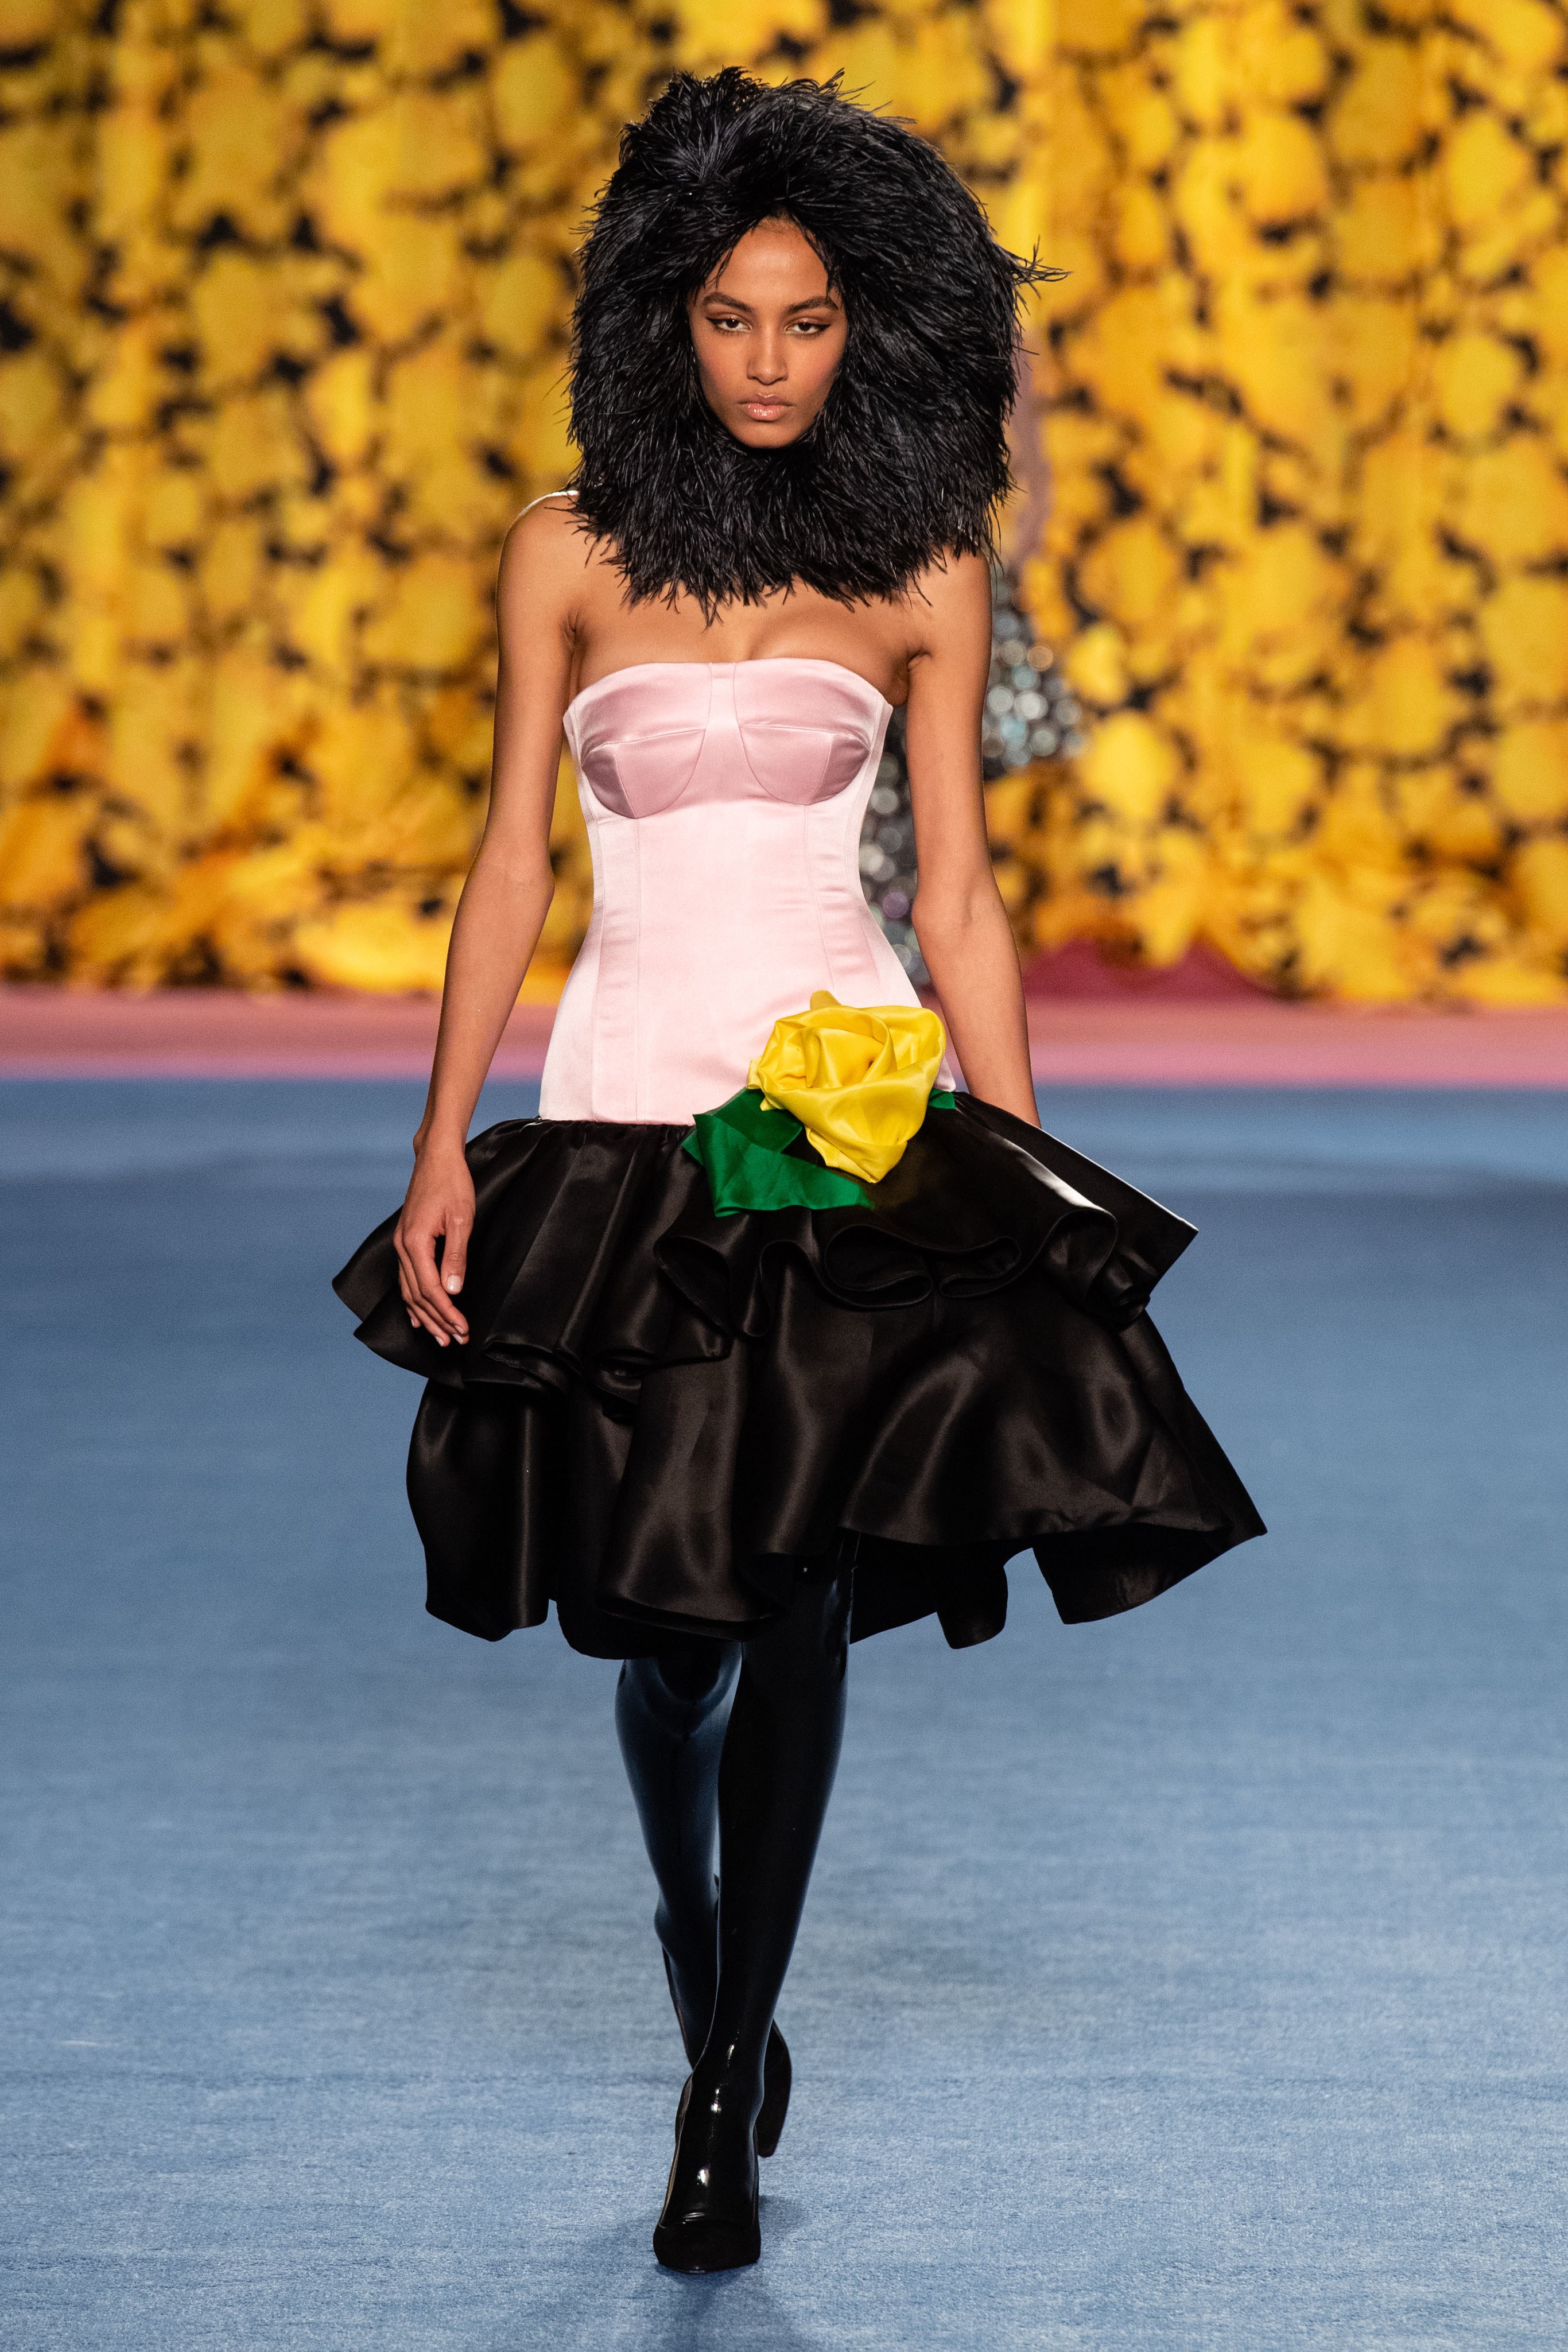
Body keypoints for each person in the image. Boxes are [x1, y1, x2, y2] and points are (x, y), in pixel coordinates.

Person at [335, 68, 1263, 2275]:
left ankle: (720, 2091)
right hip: (624, 1125)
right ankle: (698, 1940)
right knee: (665, 1636)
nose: (769, 360)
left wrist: (1022, 1169)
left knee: (803, 1596)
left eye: (811, 319)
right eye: (732, 317)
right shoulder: (564, 551)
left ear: (875, 330)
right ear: (664, 317)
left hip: (844, 1132)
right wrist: (438, 1140)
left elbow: (959, 902)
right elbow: (506, 864)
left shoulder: (923, 563)